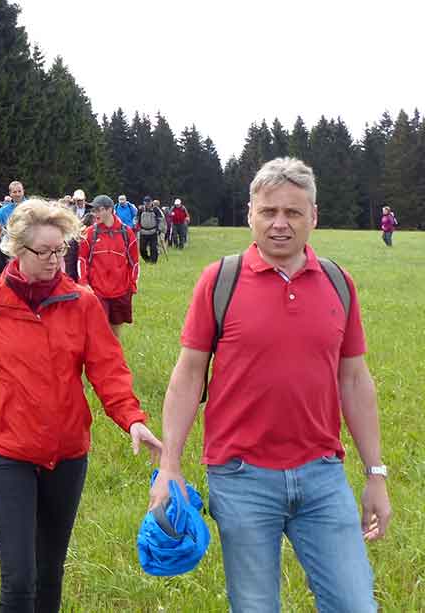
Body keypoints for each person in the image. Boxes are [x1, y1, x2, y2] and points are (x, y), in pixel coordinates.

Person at [149, 157, 390, 613]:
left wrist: (375, 474)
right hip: (241, 479)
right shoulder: (220, 280)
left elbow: (355, 380)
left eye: (293, 213)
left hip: (322, 476)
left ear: (313, 217)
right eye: (269, 212)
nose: (280, 224)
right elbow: (187, 376)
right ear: (250, 214)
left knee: (356, 604)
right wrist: (170, 466)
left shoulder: (339, 283)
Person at [0, 199, 162, 613]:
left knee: (50, 572)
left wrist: (132, 419)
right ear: (17, 250)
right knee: (19, 577)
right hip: (6, 453)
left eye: (61, 250)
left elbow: (109, 371)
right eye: (45, 252)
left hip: (67, 454)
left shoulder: (82, 303)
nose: (56, 260)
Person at [78, 195, 139, 338]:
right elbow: (81, 260)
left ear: (110, 210)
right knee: (98, 331)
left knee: (115, 333)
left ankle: (115, 358)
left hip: (121, 291)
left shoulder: (127, 233)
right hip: (97, 291)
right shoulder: (90, 233)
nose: (95, 214)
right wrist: (84, 283)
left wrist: (132, 284)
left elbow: (134, 262)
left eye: (99, 210)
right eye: (94, 210)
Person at [135, 197, 164, 264]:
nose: (147, 204)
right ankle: (147, 259)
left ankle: (153, 262)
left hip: (153, 232)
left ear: (151, 202)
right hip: (143, 232)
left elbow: (161, 219)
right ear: (144, 202)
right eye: (146, 202)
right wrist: (135, 225)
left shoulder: (155, 209)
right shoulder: (141, 209)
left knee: (153, 248)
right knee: (142, 249)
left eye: (149, 202)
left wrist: (160, 229)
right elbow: (136, 218)